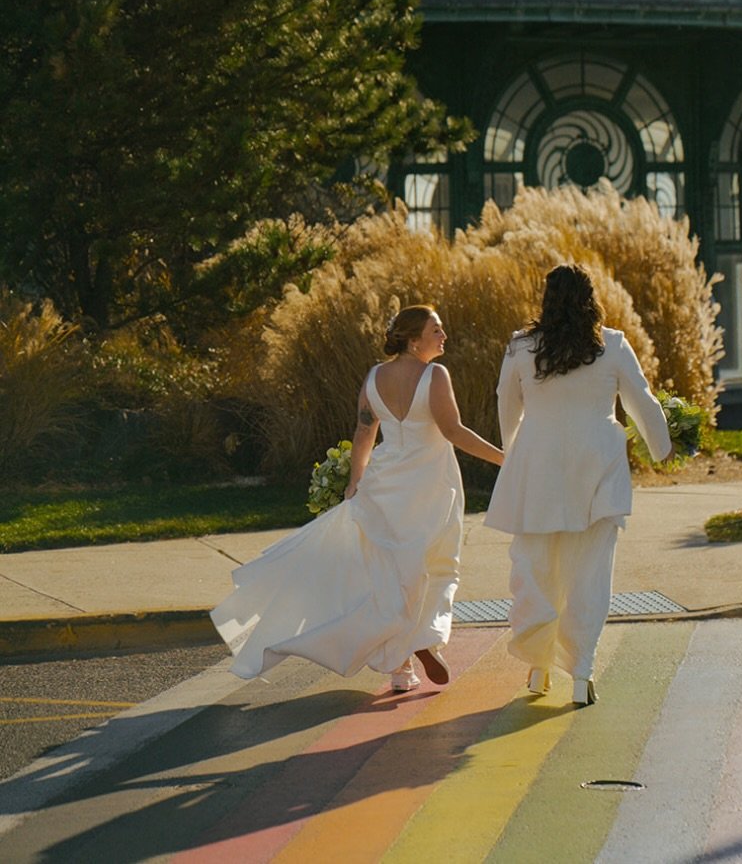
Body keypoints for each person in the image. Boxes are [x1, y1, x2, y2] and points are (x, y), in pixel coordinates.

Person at [211, 304, 503, 692]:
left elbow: (364, 433)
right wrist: (504, 459)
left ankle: (401, 668)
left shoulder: (374, 377)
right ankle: (424, 637)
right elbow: (454, 431)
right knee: (436, 565)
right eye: (436, 330)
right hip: (430, 485)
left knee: (389, 573)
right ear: (414, 340)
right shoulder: (434, 374)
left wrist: (356, 483)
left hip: (385, 483)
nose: (444, 336)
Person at [485, 264, 672, 706]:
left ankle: (538, 666)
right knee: (590, 572)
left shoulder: (521, 347)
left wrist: (513, 450)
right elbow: (640, 400)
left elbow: (505, 403)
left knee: (535, 566)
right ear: (591, 298)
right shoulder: (612, 345)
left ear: (547, 299)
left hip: (539, 466)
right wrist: (661, 448)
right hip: (597, 469)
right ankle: (582, 671)